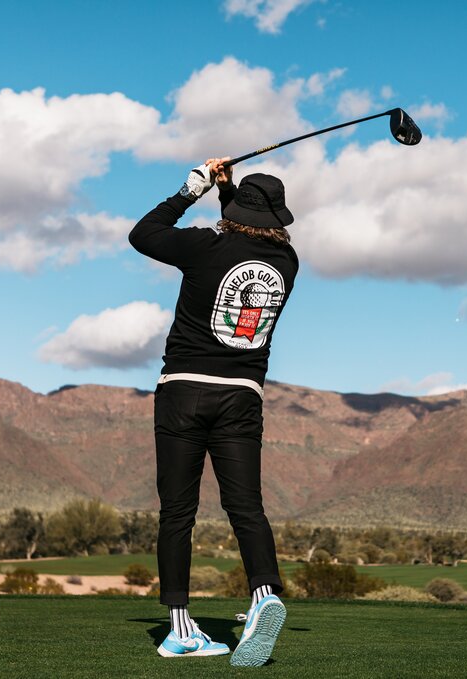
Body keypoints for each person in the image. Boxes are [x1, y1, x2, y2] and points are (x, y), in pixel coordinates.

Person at [128, 156, 298, 666]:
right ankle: (265, 593)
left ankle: (180, 627)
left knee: (177, 511)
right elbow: (246, 242)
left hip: (182, 390)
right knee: (246, 507)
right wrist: (229, 191)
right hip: (241, 396)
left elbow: (145, 234)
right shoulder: (287, 265)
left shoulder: (206, 245)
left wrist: (194, 186)